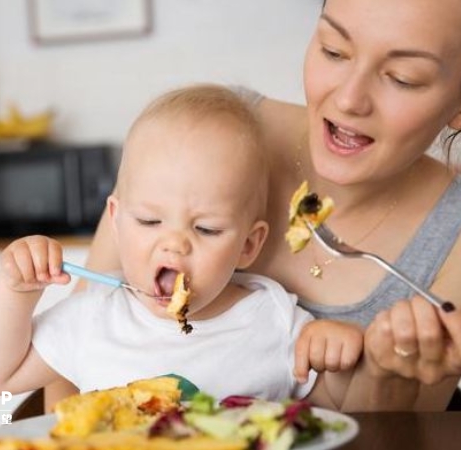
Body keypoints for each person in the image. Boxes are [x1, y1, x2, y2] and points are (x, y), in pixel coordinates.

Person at [48, 0, 461, 412]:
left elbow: (403, 430)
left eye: (404, 78)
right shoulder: (208, 132)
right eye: (334, 50)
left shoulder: (452, 232)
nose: (350, 99)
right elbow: (70, 363)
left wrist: (386, 375)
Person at [0, 84, 363, 409]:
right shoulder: (95, 316)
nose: (173, 245)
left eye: (206, 229)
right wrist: (15, 290)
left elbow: (332, 415)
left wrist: (336, 360)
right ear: (116, 222)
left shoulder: (274, 320)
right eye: (150, 221)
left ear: (248, 245)